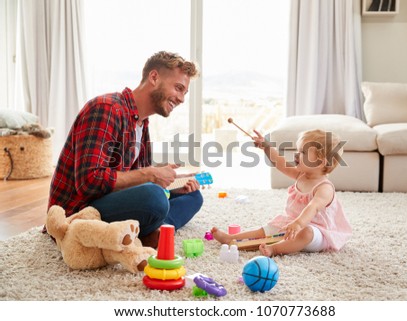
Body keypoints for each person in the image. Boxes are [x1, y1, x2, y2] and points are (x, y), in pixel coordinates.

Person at [47, 51, 203, 248]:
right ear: (154, 77)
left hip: (109, 201)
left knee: (192, 196)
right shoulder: (106, 108)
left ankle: (144, 233)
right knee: (154, 198)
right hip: (79, 212)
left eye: (184, 93)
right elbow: (88, 182)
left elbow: (135, 180)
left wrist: (170, 184)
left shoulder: (142, 124)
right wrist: (151, 175)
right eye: (178, 88)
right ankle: (148, 232)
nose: (181, 99)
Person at [211, 129, 352, 257]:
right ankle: (231, 238)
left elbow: (312, 207)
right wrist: (266, 147)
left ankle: (275, 249)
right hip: (292, 224)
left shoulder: (324, 188)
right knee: (269, 228)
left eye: (303, 152)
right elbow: (279, 162)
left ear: (320, 162)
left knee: (307, 232)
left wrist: (299, 224)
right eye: (298, 150)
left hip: (318, 232)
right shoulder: (301, 175)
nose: (297, 154)